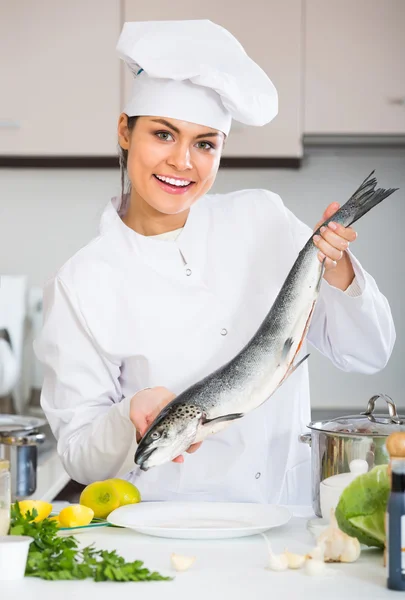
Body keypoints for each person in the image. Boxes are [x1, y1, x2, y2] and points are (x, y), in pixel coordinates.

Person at [34, 20, 395, 505]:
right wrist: (130, 415)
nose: (183, 161)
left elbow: (369, 352)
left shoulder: (262, 216)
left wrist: (338, 267)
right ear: (125, 130)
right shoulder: (80, 282)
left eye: (205, 143)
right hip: (164, 531)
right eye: (163, 134)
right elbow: (79, 452)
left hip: (281, 521)